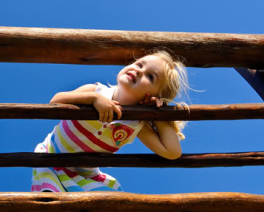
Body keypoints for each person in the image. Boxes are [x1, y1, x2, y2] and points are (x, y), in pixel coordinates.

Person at [31, 50, 190, 192]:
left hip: (85, 176)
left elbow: (172, 152)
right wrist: (93, 99)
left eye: (150, 76)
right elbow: (55, 101)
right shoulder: (95, 91)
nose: (139, 71)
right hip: (51, 158)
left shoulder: (136, 124)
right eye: (139, 64)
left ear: (154, 96)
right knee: (50, 200)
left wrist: (156, 115)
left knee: (107, 201)